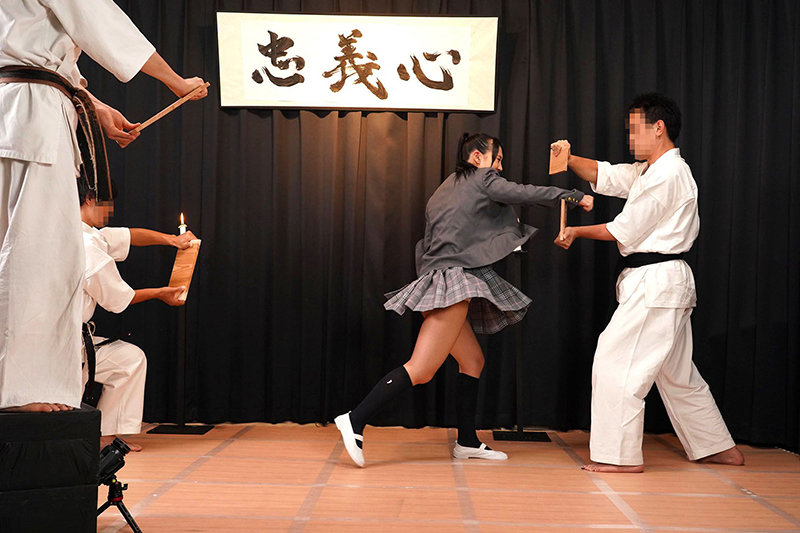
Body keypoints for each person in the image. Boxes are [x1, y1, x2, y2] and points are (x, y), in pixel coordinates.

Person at [335, 133, 594, 467]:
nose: (500, 168)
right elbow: (522, 192)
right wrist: (571, 196)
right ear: (476, 158)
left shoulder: (444, 190)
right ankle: (355, 419)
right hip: (450, 281)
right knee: (421, 368)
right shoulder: (483, 179)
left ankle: (467, 442)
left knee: (472, 361)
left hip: (437, 278)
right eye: (497, 160)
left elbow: (436, 240)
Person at [0, 1, 207, 412]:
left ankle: (15, 385)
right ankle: (23, 390)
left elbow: (36, 52)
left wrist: (95, 107)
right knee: (40, 255)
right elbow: (99, 19)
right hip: (33, 115)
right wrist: (175, 81)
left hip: (15, 107)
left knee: (15, 246)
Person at [552, 93, 744, 472]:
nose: (629, 138)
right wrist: (568, 159)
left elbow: (626, 228)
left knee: (615, 361)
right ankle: (717, 447)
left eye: (635, 130)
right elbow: (608, 175)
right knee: (677, 375)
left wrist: (575, 231)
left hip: (657, 283)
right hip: (663, 284)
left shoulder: (670, 174)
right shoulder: (650, 171)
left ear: (658, 128)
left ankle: (619, 457)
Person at [79, 178, 194, 450]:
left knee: (129, 360)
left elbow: (129, 235)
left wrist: (173, 240)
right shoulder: (86, 246)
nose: (110, 211)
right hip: (62, 348)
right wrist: (160, 293)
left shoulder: (84, 234)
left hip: (75, 339)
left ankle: (105, 436)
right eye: (107, 204)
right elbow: (120, 299)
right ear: (90, 200)